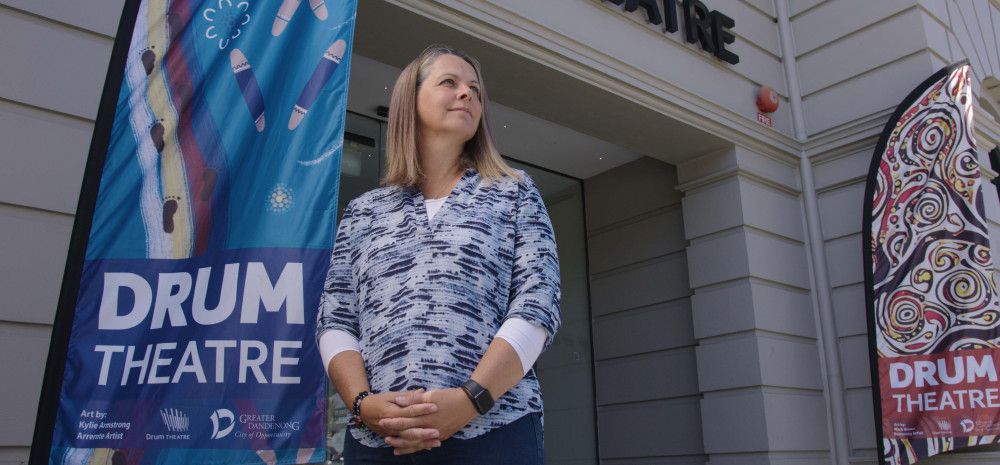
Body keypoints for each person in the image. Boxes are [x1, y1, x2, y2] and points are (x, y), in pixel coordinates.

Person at [315, 44, 561, 464]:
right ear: (409, 100)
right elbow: (336, 319)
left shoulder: (514, 191)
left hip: (493, 433)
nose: (467, 94)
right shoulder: (363, 212)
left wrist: (471, 399)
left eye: (475, 90)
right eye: (450, 82)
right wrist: (361, 404)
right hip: (379, 442)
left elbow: (538, 303)